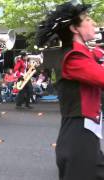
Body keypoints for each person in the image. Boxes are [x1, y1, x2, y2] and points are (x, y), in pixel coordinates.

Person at [36, 1, 104, 180]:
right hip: (78, 136)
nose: (94, 23)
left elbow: (96, 54)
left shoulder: (85, 52)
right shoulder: (74, 58)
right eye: (88, 19)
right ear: (75, 28)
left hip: (87, 133)